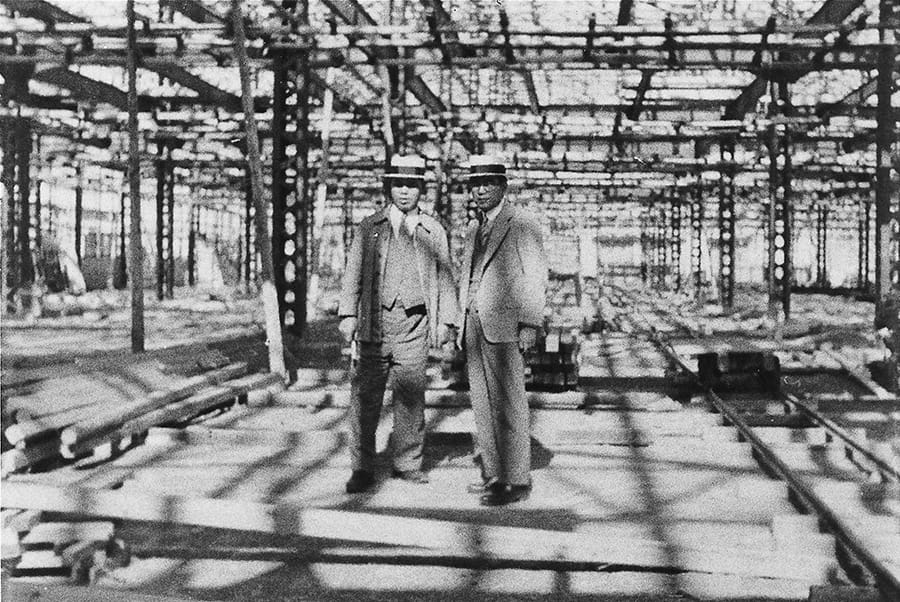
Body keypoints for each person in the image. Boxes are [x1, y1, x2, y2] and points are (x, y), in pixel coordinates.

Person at [338, 154, 459, 493]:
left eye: (412, 185)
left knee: (410, 396)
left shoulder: (433, 231)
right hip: (374, 324)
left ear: (422, 189)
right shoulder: (369, 227)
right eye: (398, 185)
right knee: (365, 398)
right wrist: (348, 315)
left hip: (414, 326)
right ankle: (361, 467)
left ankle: (407, 463)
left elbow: (445, 277)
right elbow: (353, 273)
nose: (405, 191)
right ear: (388, 188)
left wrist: (446, 321)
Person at [459, 155, 547, 506]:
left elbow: (535, 275)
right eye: (475, 185)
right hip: (475, 326)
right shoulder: (474, 229)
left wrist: (530, 323)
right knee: (483, 405)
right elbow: (467, 275)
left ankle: (517, 480)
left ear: (503, 186)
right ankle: (495, 475)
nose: (480, 191)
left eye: (488, 184)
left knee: (510, 404)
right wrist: (459, 321)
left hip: (506, 326)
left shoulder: (522, 223)